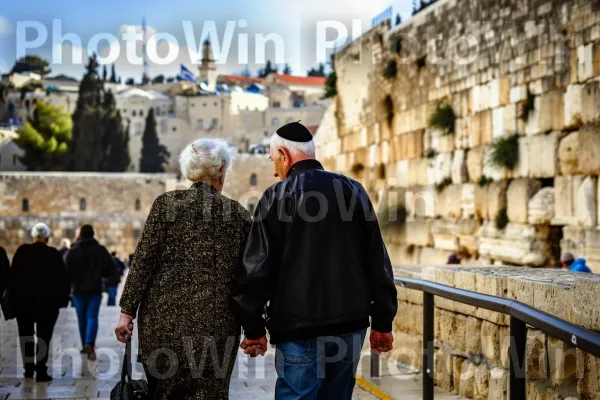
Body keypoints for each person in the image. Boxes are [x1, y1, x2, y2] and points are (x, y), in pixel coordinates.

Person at [232, 122, 398, 399]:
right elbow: (377, 260)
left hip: (298, 329)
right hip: (349, 325)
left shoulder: (276, 196)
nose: (275, 171)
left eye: (274, 161)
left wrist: (253, 329)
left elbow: (256, 269)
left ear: (284, 155)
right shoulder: (352, 190)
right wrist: (383, 322)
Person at [115, 138, 251, 399]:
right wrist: (255, 328)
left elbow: (143, 261)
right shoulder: (239, 215)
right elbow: (249, 278)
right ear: (221, 170)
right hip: (216, 331)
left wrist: (126, 313)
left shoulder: (165, 206)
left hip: (162, 328)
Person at [7, 223, 70, 382]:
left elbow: (12, 277)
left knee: (25, 335)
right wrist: (61, 300)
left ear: (33, 237)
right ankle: (41, 370)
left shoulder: (22, 251)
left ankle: (28, 369)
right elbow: (63, 279)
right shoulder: (53, 254)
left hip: (23, 303)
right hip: (47, 304)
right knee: (44, 337)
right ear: (47, 238)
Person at [65, 225, 116, 360]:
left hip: (77, 291)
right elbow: (111, 266)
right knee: (92, 317)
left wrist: (71, 284)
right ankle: (89, 343)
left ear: (80, 235)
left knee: (82, 319)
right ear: (93, 234)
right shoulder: (100, 250)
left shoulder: (73, 251)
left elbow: (66, 269)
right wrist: (102, 274)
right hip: (94, 290)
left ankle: (84, 345)